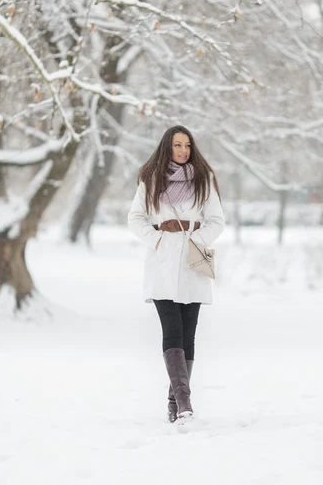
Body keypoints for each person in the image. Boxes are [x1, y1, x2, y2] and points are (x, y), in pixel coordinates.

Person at [127, 125, 225, 423]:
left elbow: (217, 221)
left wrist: (196, 240)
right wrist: (157, 239)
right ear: (167, 148)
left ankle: (175, 404)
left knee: (188, 332)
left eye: (187, 146)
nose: (183, 150)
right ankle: (184, 403)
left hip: (193, 259)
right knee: (171, 330)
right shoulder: (151, 180)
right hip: (163, 261)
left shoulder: (204, 180)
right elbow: (135, 218)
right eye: (177, 145)